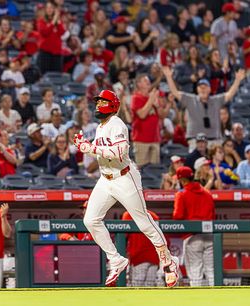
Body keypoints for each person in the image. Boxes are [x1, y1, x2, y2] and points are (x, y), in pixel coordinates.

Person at [73, 89, 179, 287]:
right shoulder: (100, 127)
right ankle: (116, 259)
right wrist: (85, 146)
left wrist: (92, 148)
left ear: (112, 105)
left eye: (101, 102)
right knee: (90, 219)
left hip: (124, 178)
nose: (97, 105)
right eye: (97, 102)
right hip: (106, 179)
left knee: (144, 222)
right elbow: (100, 153)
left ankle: (168, 261)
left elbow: (120, 152)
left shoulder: (117, 123)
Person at [162, 65, 245, 152]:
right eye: (200, 87)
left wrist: (237, 80)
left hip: (214, 141)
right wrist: (169, 77)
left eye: (205, 87)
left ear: (210, 89)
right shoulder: (190, 99)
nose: (203, 89)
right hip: (195, 141)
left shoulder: (216, 100)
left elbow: (229, 94)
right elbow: (175, 92)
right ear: (197, 89)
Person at [172, 166, 215, 286]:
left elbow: (177, 216)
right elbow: (213, 215)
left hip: (192, 237)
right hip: (209, 235)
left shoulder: (182, 194)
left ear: (182, 180)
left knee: (195, 272)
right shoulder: (207, 193)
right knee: (212, 272)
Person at [131, 75, 170, 167]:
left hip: (155, 138)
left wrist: (157, 105)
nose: (148, 81)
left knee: (154, 169)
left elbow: (162, 115)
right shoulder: (136, 98)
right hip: (141, 140)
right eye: (144, 80)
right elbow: (142, 115)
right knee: (141, 170)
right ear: (139, 84)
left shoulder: (154, 97)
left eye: (148, 80)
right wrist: (151, 100)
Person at [122, 210, 161, 287]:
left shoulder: (128, 214)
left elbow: (124, 236)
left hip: (138, 256)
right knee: (149, 286)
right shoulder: (154, 215)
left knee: (137, 286)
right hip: (154, 256)